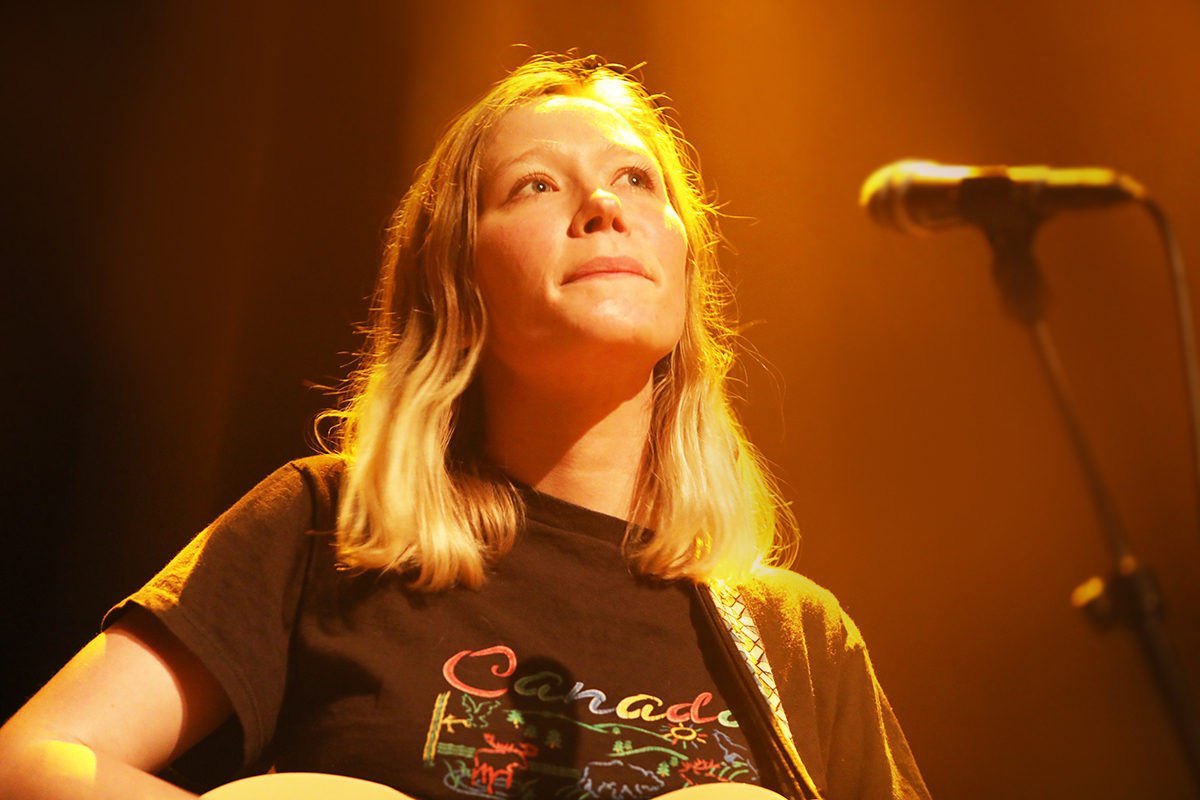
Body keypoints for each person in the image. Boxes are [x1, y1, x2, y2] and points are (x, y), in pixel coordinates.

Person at [0, 54, 930, 800]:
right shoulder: (327, 528)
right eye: (534, 186)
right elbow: (32, 759)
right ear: (457, 284)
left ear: (685, 269)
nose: (605, 206)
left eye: (638, 181)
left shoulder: (796, 638)